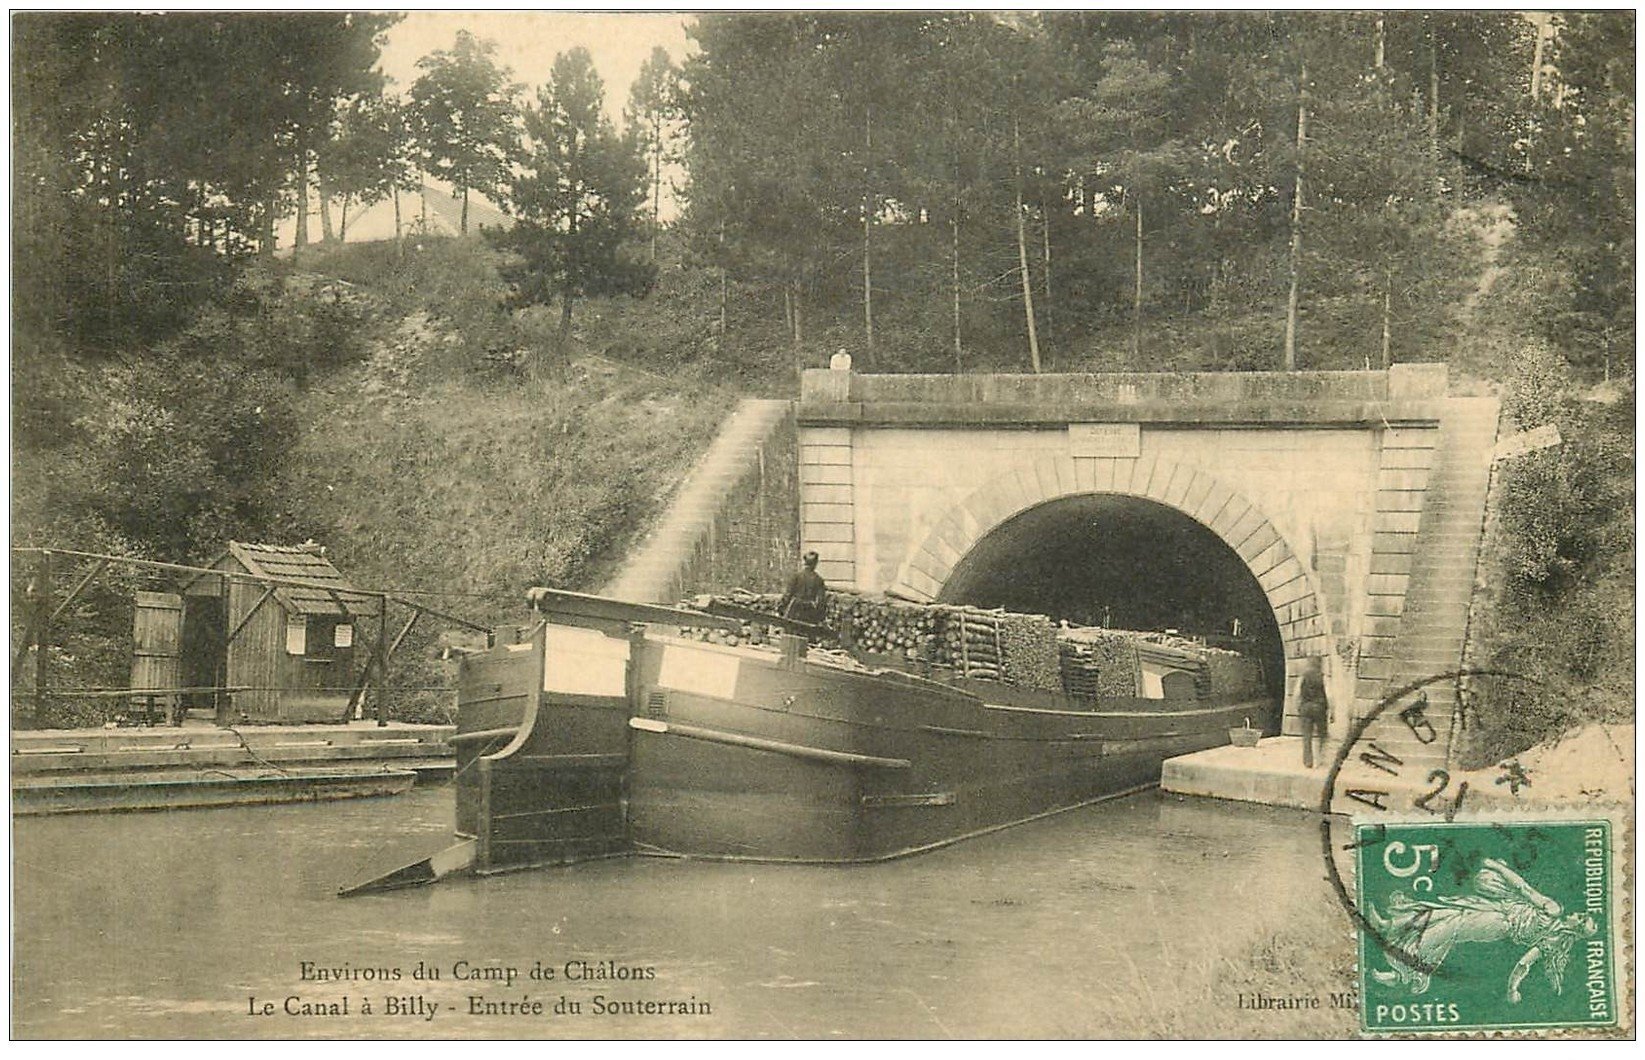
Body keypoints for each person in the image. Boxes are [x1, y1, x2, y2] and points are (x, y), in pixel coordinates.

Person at [1296, 654, 1330, 769]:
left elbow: (1296, 694)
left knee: (1307, 736)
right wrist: (1332, 711)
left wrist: (1298, 708)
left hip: (1305, 707)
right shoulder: (1323, 677)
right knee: (1322, 735)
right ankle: (1320, 759)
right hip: (1319, 708)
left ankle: (1308, 761)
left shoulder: (1302, 677)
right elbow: (1330, 695)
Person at [778, 551, 828, 627]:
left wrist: (781, 608)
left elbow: (787, 595)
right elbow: (821, 602)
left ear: (805, 562)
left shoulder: (796, 576)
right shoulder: (819, 580)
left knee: (791, 633)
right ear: (815, 564)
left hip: (795, 611)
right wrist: (820, 618)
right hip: (810, 613)